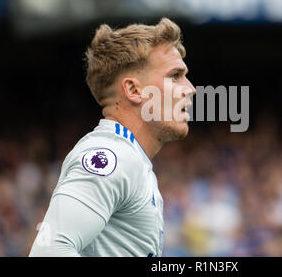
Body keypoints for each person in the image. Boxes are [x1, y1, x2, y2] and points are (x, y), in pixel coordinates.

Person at [29, 18, 196, 256]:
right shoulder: (112, 157)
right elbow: (50, 250)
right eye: (175, 76)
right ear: (134, 90)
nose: (190, 88)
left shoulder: (132, 158)